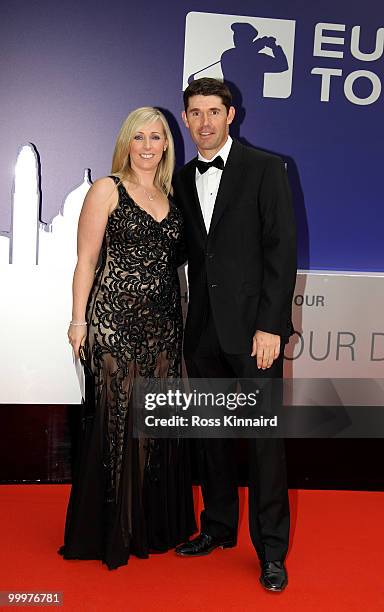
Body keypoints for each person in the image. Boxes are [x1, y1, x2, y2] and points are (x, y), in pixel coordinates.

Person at [173, 78, 296, 592]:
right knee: (210, 439)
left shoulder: (266, 168)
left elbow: (280, 251)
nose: (204, 122)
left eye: (213, 112)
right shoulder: (179, 179)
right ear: (186, 119)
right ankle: (218, 527)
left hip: (254, 334)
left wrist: (272, 326)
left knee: (265, 444)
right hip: (202, 331)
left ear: (231, 116)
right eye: (195, 113)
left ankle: (271, 551)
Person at [59, 107, 196, 570]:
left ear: (165, 145)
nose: (147, 145)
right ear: (127, 143)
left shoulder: (172, 196)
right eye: (138, 137)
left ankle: (147, 524)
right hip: (114, 319)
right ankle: (111, 529)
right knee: (118, 422)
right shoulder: (107, 189)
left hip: (163, 324)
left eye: (156, 137)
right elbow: (86, 261)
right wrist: (78, 322)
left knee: (154, 424)